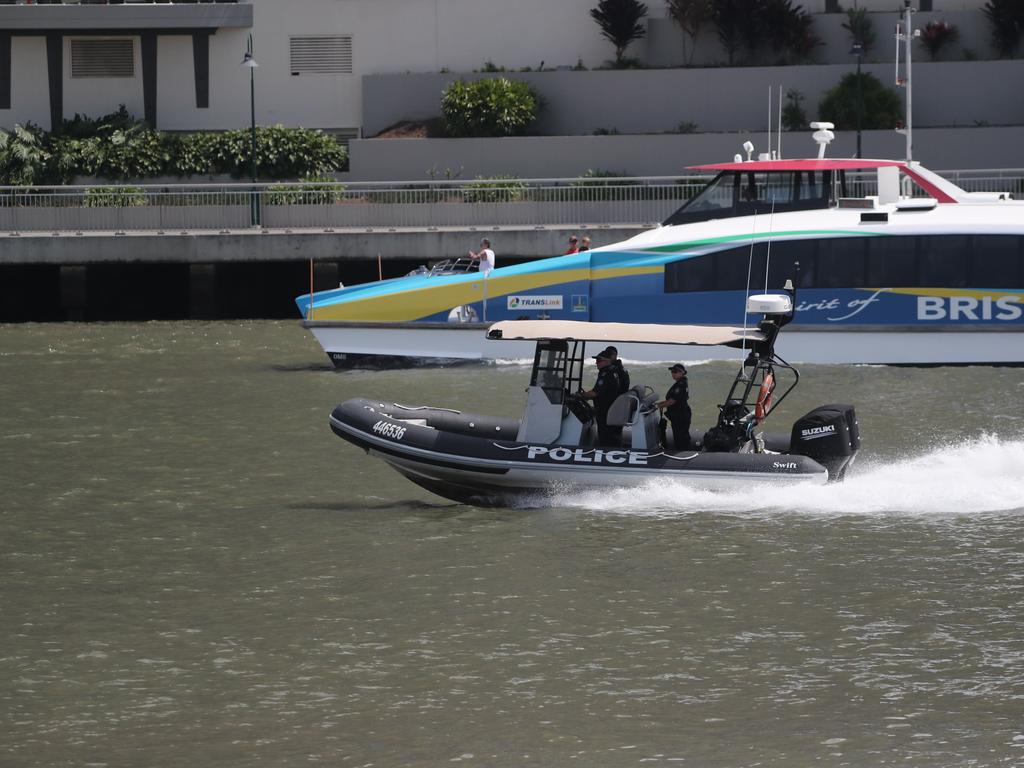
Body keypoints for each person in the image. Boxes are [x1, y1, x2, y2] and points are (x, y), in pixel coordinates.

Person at [580, 349, 622, 446]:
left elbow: (595, 393)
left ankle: (606, 453)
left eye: (599, 361)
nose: (596, 363)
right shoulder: (612, 371)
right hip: (610, 409)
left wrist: (580, 396)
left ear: (607, 361)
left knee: (605, 437)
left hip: (605, 411)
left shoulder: (606, 374)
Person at [657, 363, 692, 451]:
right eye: (672, 371)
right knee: (680, 437)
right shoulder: (681, 382)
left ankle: (683, 455)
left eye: (675, 371)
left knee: (681, 438)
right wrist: (659, 404)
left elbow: (671, 401)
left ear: (682, 373)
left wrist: (657, 406)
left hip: (680, 415)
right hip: (680, 414)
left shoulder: (680, 385)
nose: (673, 373)